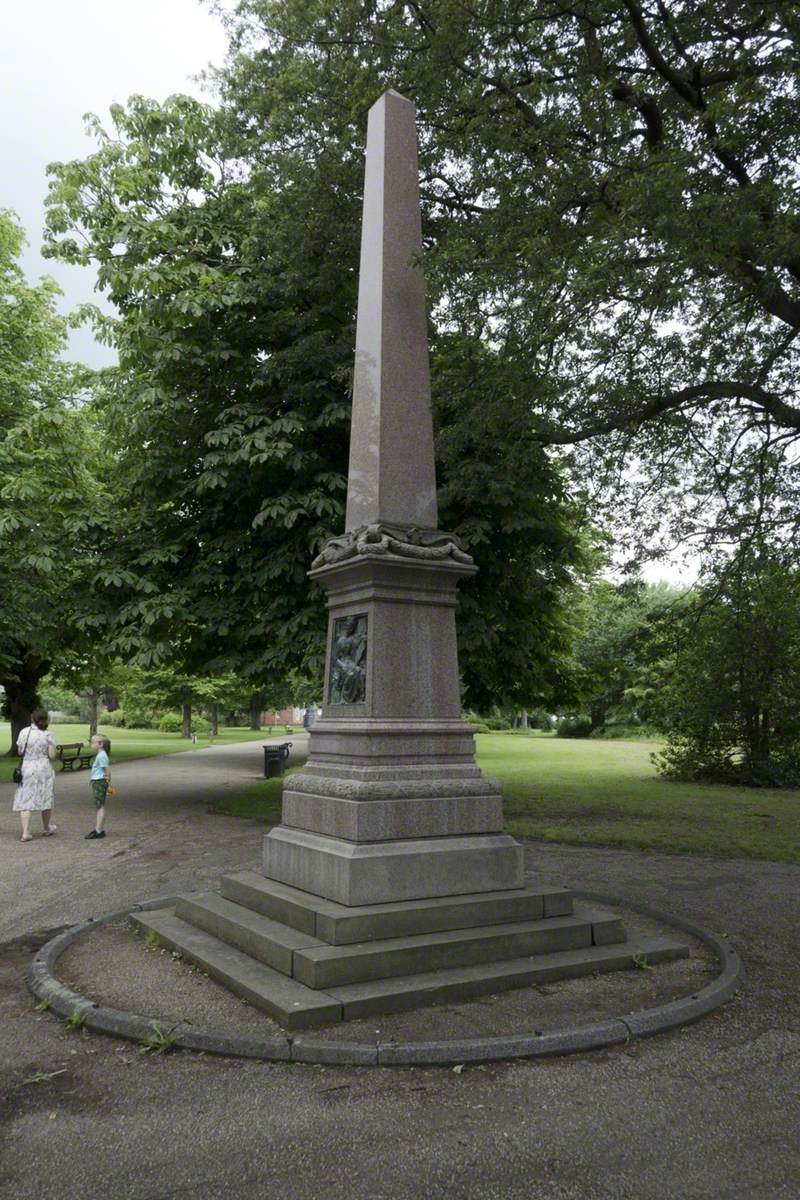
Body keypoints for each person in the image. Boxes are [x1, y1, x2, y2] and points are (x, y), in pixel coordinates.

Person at [13, 709, 57, 842]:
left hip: (28, 768)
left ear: (32, 719)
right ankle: (46, 828)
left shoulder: (24, 732)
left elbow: (20, 752)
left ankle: (26, 832)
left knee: (26, 798)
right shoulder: (48, 734)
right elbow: (52, 756)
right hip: (44, 769)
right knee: (46, 797)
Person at [85, 734, 111, 840]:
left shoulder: (102, 756)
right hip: (97, 782)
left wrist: (107, 782)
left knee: (100, 806)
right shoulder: (101, 755)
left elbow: (107, 771)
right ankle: (98, 829)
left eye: (92, 742)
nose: (91, 744)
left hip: (99, 782)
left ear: (100, 744)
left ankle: (99, 830)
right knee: (99, 806)